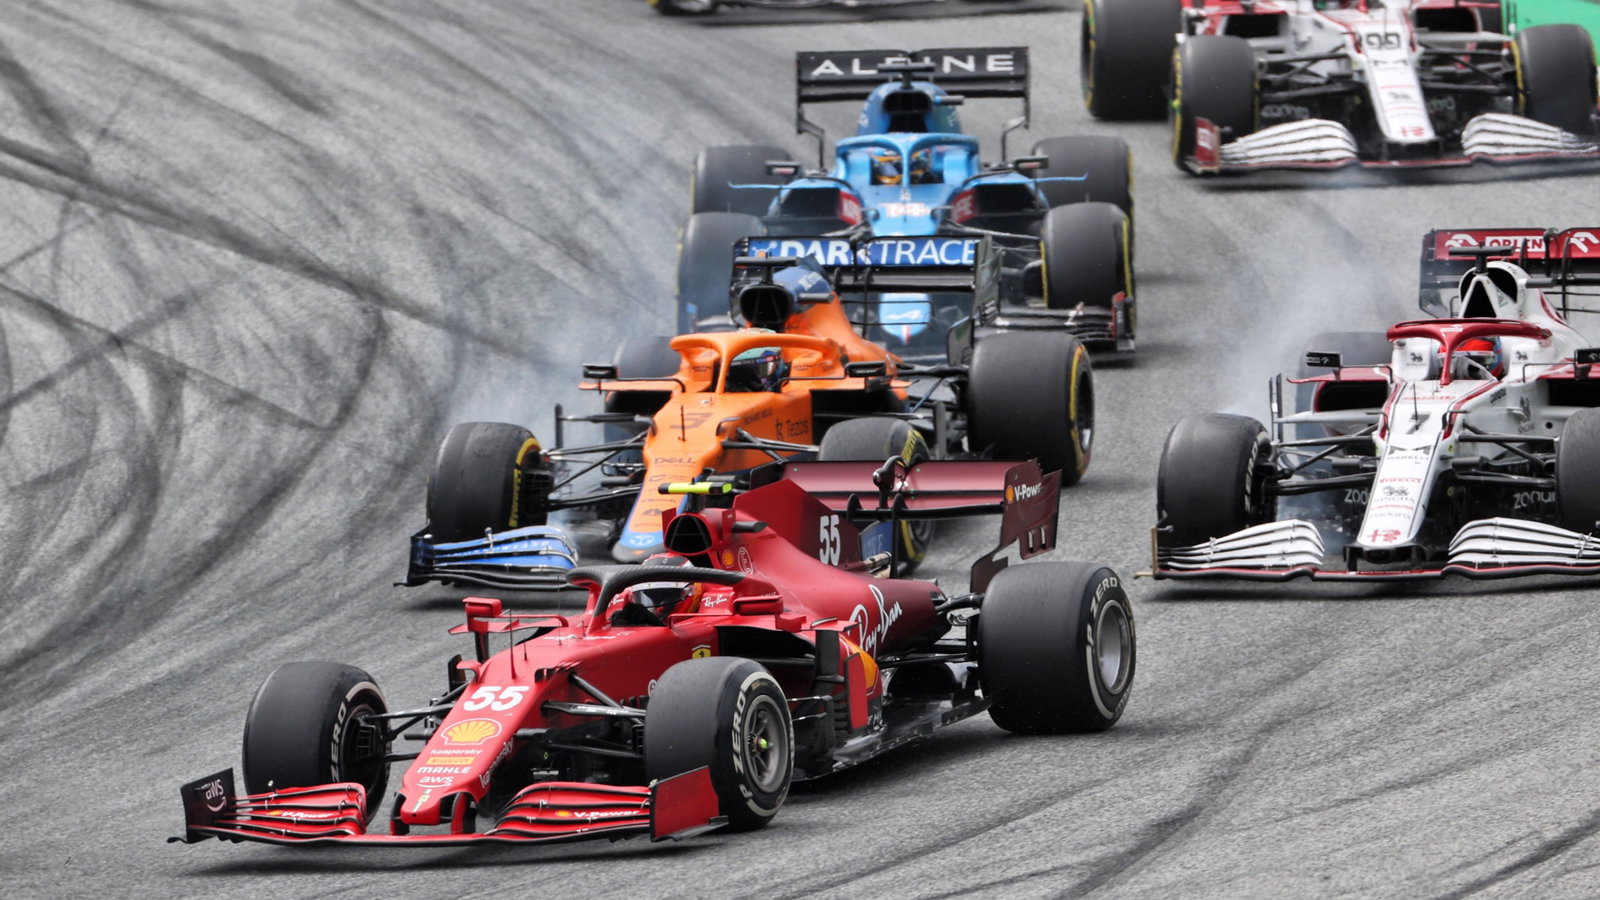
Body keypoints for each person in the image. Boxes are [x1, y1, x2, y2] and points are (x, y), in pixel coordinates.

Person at [611, 554, 698, 626]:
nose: (659, 606)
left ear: (690, 591)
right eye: (653, 596)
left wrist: (656, 625)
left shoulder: (709, 610)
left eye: (666, 595)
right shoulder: (624, 595)